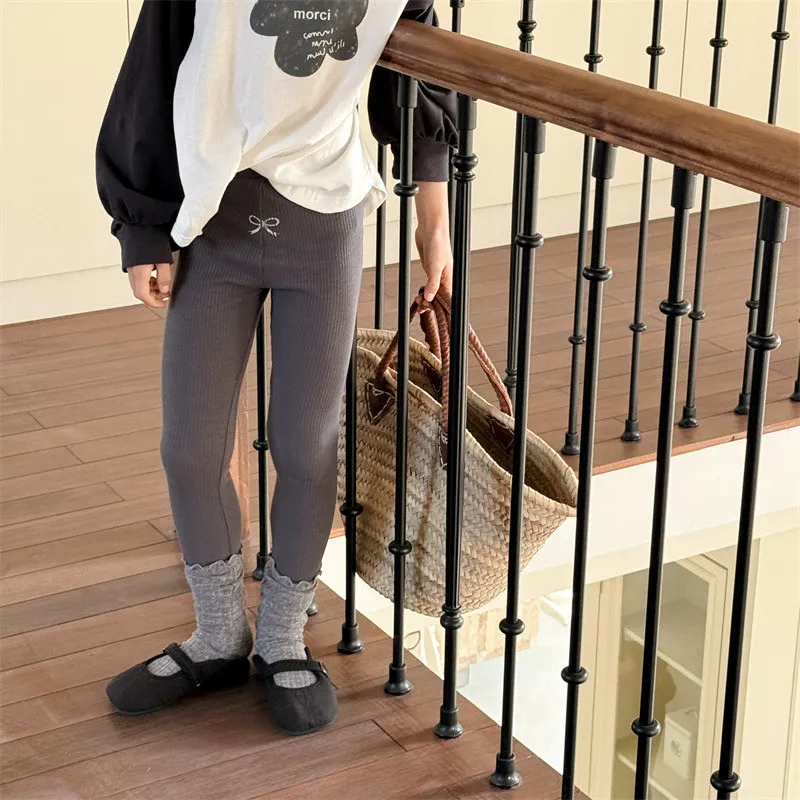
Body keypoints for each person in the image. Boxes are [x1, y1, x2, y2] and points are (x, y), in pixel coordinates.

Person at [95, 0, 457, 736]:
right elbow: (151, 74)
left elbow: (416, 77)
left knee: (304, 443)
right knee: (189, 450)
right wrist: (142, 229)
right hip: (213, 218)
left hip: (325, 222)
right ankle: (219, 636)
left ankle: (283, 637)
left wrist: (435, 223)